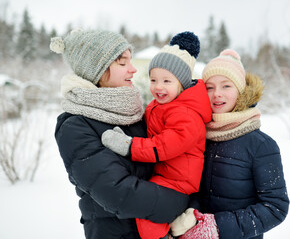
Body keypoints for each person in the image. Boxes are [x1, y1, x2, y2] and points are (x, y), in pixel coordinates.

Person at [50, 29, 190, 239]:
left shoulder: (133, 113)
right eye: (122, 63)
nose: (133, 70)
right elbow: (119, 193)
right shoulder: (75, 127)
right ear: (95, 70)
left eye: (131, 61)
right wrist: (182, 201)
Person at [101, 31, 212, 239]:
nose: (158, 87)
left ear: (182, 84)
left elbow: (164, 146)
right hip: (165, 176)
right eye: (153, 80)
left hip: (179, 181)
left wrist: (129, 145)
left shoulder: (186, 114)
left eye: (167, 81)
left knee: (146, 211)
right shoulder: (162, 105)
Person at [170, 49, 290, 239]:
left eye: (226, 86)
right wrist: (191, 214)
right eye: (209, 87)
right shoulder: (199, 135)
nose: (217, 94)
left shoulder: (261, 145)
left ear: (241, 91)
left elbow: (275, 207)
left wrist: (216, 227)